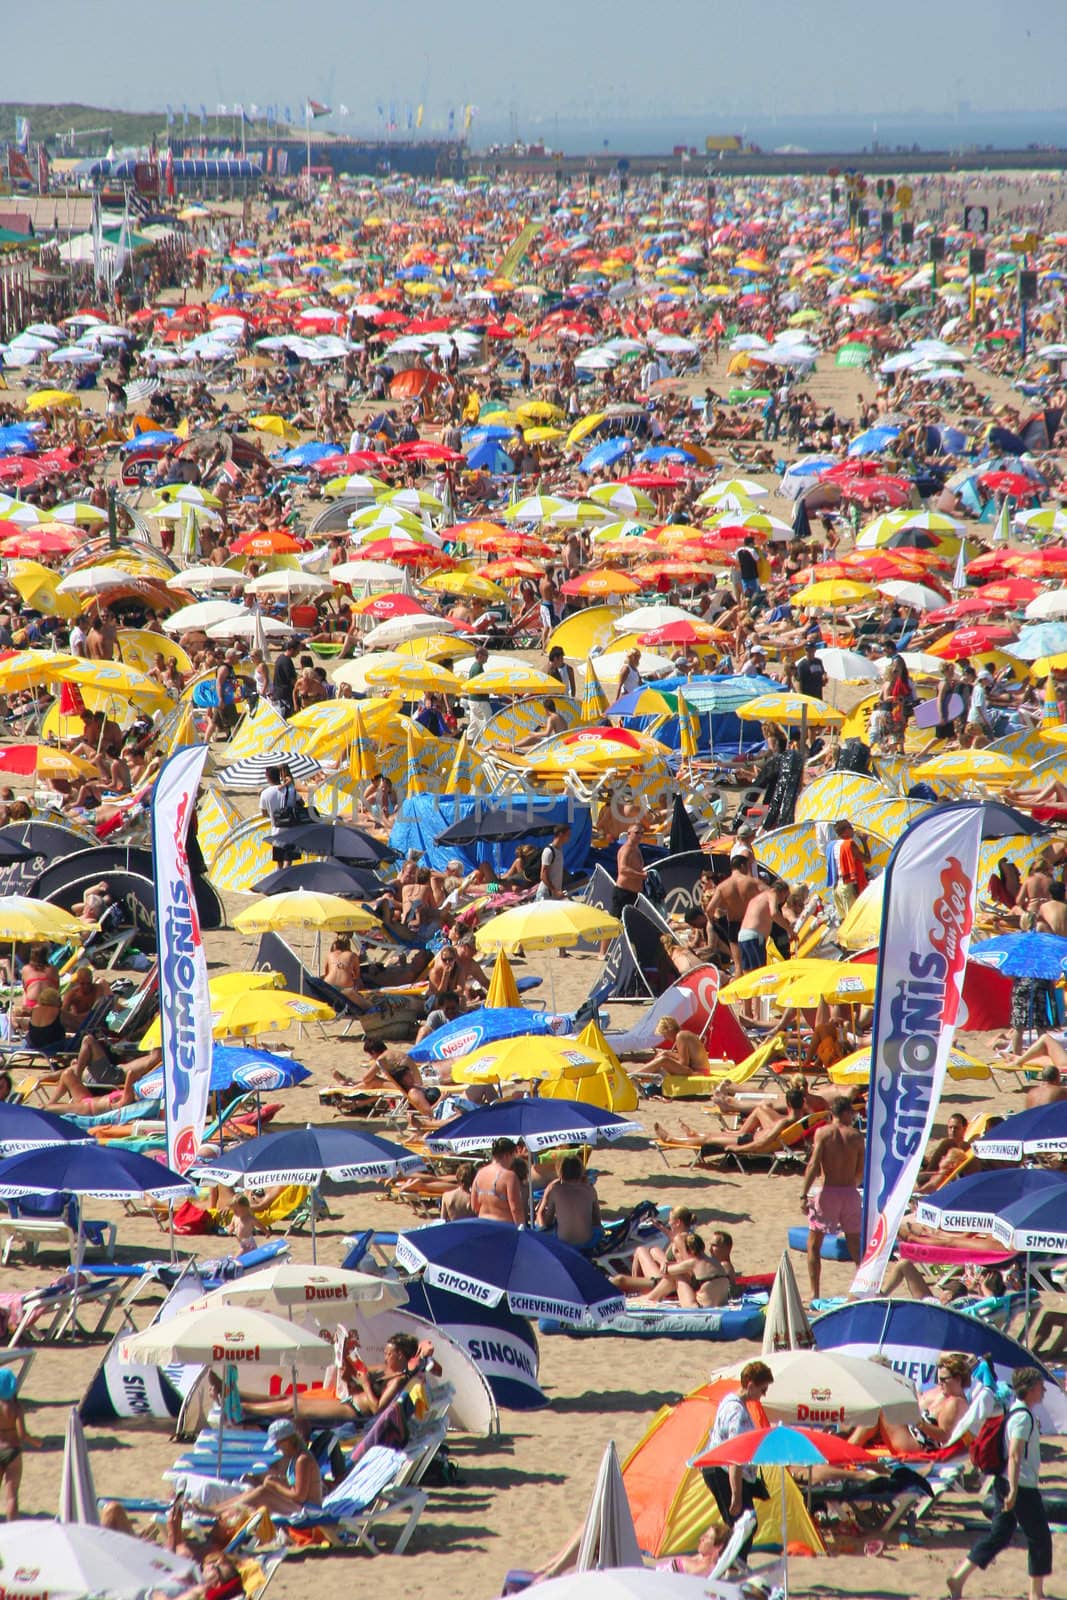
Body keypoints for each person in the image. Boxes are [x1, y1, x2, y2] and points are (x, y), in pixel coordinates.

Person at [948, 1367, 1052, 1600]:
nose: (1043, 1390)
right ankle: (1036, 1594)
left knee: (999, 1534)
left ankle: (959, 1577)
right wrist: (1014, 1489)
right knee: (1040, 1537)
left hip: (1006, 1482)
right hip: (1019, 1485)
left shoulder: (1014, 1412)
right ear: (1032, 1388)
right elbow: (1015, 1454)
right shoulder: (1023, 1417)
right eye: (1040, 1386)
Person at [699, 1360, 773, 1568]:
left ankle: (730, 1564)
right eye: (763, 1389)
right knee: (743, 1524)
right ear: (751, 1386)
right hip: (723, 1471)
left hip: (719, 1469)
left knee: (741, 1523)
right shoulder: (737, 1412)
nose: (763, 1394)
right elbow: (735, 1456)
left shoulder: (731, 1401)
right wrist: (736, 1494)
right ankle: (731, 1565)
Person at [799, 1095, 865, 1299]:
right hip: (850, 1193)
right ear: (845, 1113)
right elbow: (860, 1171)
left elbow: (813, 1164)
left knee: (813, 1245)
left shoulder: (823, 1133)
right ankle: (862, 1289)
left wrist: (803, 1193)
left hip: (829, 1192)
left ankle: (814, 1293)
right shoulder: (856, 1136)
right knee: (856, 1246)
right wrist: (851, 1184)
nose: (853, 1117)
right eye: (851, 1114)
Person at [214, 1418, 322, 1518]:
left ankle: (216, 1513)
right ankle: (216, 1509)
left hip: (310, 1513)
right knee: (253, 1491)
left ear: (287, 1441)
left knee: (262, 1493)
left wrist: (275, 1485)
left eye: (277, 1444)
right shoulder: (295, 1458)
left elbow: (299, 1496)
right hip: (300, 1507)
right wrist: (277, 1480)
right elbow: (295, 1486)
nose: (276, 1448)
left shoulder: (302, 1460)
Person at [536, 1155, 601, 1247]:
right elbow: (597, 1221)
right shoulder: (590, 1189)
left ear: (561, 1172)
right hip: (588, 1243)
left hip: (564, 1244)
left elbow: (547, 1222)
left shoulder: (556, 1190)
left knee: (541, 1227)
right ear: (581, 1171)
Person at [0, 1367, 38, 1520]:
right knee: (12, 1496)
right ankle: (13, 1528)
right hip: (13, 1451)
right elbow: (22, 1434)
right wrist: (36, 1443)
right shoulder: (16, 1408)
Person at [633, 1014, 710, 1083]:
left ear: (668, 1030)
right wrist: (667, 1054)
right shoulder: (684, 1034)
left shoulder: (681, 1036)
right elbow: (686, 1059)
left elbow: (684, 1063)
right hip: (701, 1070)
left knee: (663, 1060)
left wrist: (668, 1058)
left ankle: (635, 1074)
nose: (665, 1038)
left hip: (698, 1072)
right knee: (664, 1056)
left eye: (664, 1035)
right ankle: (640, 1076)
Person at [471, 1136, 525, 1224]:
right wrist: (522, 1230)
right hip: (503, 1227)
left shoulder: (480, 1173)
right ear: (508, 1155)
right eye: (513, 1156)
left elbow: (474, 1206)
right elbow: (516, 1209)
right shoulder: (509, 1176)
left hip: (483, 1224)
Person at [537, 823, 570, 901]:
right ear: (560, 834)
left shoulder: (559, 850)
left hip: (554, 894)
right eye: (567, 835)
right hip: (545, 895)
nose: (569, 838)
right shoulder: (549, 851)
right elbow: (543, 875)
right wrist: (555, 891)